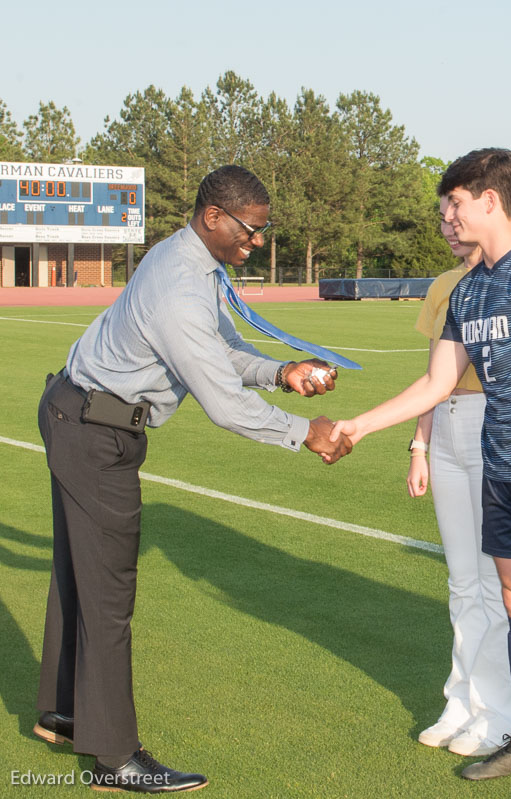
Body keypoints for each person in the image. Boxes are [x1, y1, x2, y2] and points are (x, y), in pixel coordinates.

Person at [33, 165, 353, 793]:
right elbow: (224, 402)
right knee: (107, 594)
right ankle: (115, 757)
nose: (256, 242)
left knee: (79, 573)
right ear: (214, 217)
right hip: (94, 430)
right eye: (250, 230)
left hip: (80, 413)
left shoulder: (189, 259)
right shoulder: (182, 283)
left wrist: (281, 371)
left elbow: (220, 352)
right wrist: (303, 433)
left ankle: (65, 711)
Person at [331, 148, 511, 799]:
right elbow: (436, 382)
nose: (446, 214)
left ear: (491, 200)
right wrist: (360, 426)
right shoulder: (468, 287)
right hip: (500, 473)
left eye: (455, 201)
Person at [407, 200, 511, 757]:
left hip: (488, 426)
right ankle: (461, 699)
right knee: (461, 583)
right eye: (443, 221)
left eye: (457, 217)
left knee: (495, 585)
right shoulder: (444, 285)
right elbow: (434, 377)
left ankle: (498, 711)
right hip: (446, 431)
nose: (449, 228)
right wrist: (419, 445)